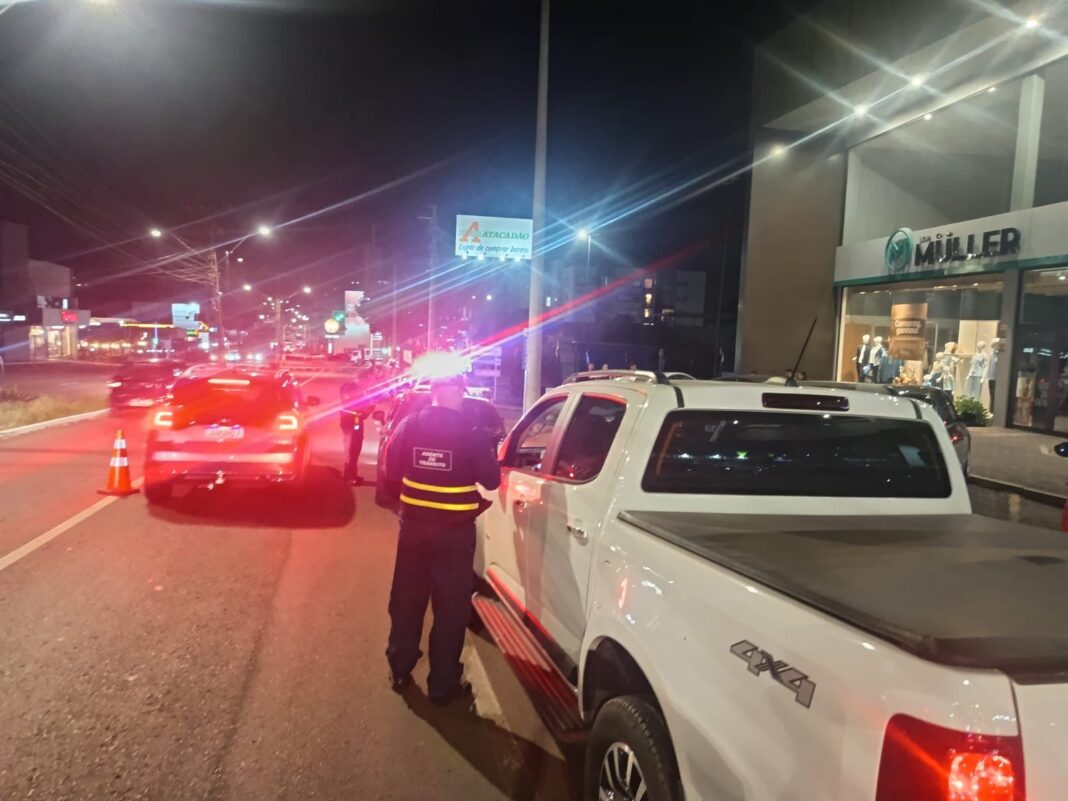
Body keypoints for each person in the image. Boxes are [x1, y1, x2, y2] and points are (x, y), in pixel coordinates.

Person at [382, 373, 501, 704]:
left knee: (406, 600)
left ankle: (400, 668)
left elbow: (391, 470)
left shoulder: (409, 425)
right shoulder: (471, 432)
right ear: (459, 393)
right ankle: (443, 685)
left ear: (432, 393)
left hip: (414, 530)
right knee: (450, 610)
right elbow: (491, 480)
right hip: (454, 536)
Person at [339, 380, 372, 485]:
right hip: (352, 425)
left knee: (353, 450)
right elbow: (362, 413)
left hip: (354, 425)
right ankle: (350, 476)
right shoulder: (351, 396)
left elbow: (362, 413)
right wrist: (369, 408)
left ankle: (350, 475)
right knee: (352, 450)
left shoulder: (350, 393)